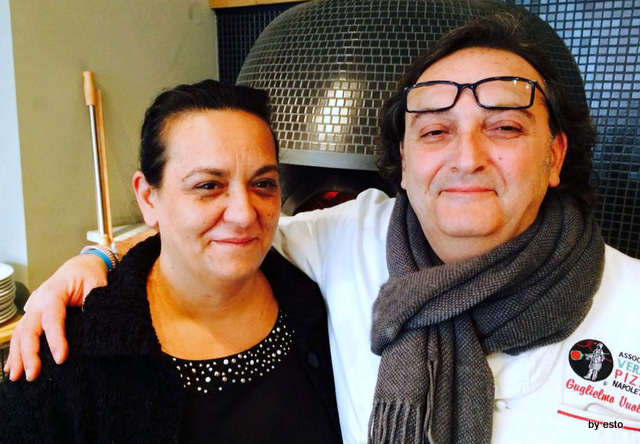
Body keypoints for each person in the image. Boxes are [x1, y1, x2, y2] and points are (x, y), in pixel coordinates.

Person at [6, 10, 640, 444]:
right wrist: (97, 264)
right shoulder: (349, 239)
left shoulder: (629, 302)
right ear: (404, 159)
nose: (466, 156)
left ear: (554, 155)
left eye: (503, 126)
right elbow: (219, 239)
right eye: (435, 131)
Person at [0, 80, 342, 443]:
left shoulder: (314, 304)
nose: (244, 214)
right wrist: (98, 256)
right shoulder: (70, 350)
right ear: (148, 198)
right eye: (208, 185)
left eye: (263, 183)